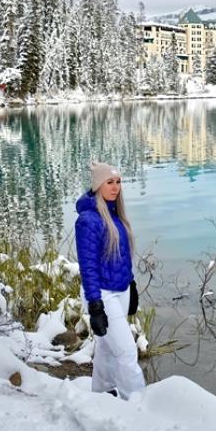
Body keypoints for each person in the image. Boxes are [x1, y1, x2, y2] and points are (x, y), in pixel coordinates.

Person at [75, 161, 145, 400]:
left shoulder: (116, 216)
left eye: (118, 182)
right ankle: (137, 404)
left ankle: (102, 396)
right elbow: (88, 267)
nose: (115, 188)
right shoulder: (88, 220)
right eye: (109, 183)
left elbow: (121, 257)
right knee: (126, 352)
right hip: (102, 294)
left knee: (106, 349)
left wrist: (132, 284)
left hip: (121, 290)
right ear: (97, 186)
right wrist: (95, 305)